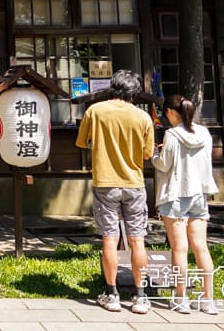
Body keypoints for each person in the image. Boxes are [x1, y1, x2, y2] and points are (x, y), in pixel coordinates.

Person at [76, 70, 155, 314]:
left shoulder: (95, 111)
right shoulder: (142, 117)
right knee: (137, 239)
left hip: (105, 182)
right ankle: (140, 296)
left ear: (113, 87)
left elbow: (82, 142)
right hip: (134, 183)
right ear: (134, 92)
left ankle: (112, 294)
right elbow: (148, 154)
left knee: (109, 239)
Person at [151, 94, 220, 315]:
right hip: (199, 194)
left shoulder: (171, 134)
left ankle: (181, 299)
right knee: (201, 247)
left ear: (171, 112)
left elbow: (164, 165)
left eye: (166, 114)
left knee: (180, 249)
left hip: (175, 195)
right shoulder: (204, 133)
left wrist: (155, 154)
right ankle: (208, 299)